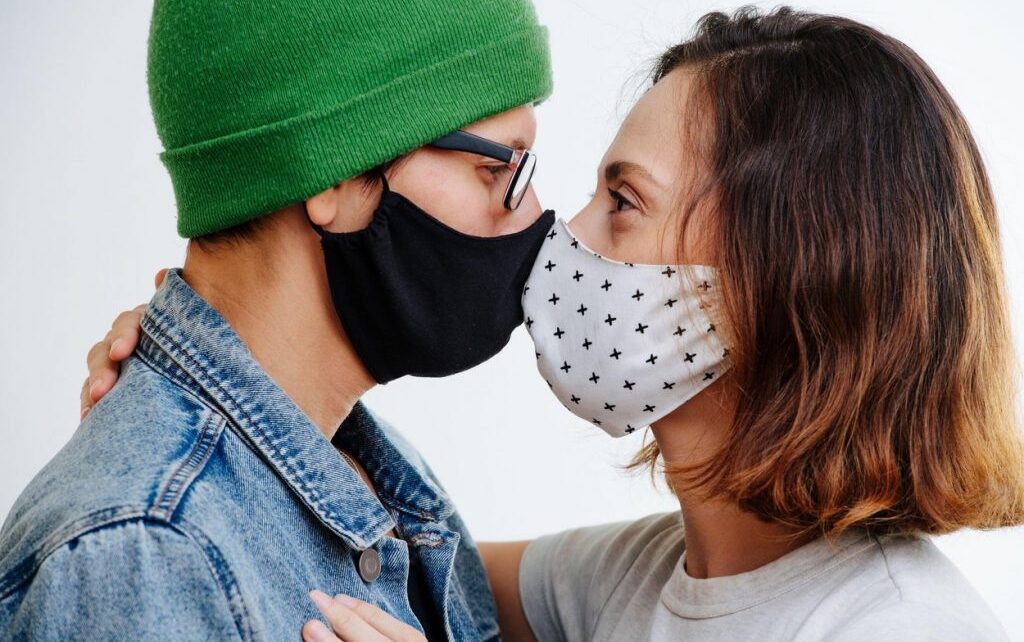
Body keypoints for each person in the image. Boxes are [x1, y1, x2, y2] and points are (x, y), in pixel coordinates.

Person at [77, 6, 1024, 642]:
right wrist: (200, 367)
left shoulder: (901, 629)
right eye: (503, 171)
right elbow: (373, 558)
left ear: (790, 273)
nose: (554, 240)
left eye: (624, 202)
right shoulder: (637, 583)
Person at [0, 0, 553, 640]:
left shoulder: (373, 469)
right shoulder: (148, 559)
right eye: (498, 168)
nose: (533, 212)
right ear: (334, 169)